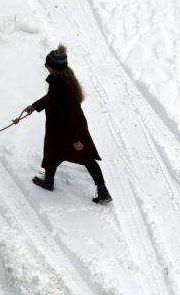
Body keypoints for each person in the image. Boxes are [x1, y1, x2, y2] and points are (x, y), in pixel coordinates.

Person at [19, 45, 112, 205]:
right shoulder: (60, 81)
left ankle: (103, 191)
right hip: (61, 130)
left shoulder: (63, 87)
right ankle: (48, 180)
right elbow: (51, 99)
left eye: (47, 64)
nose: (45, 66)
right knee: (52, 153)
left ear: (53, 67)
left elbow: (71, 115)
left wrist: (76, 139)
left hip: (70, 130)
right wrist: (35, 106)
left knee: (86, 157)